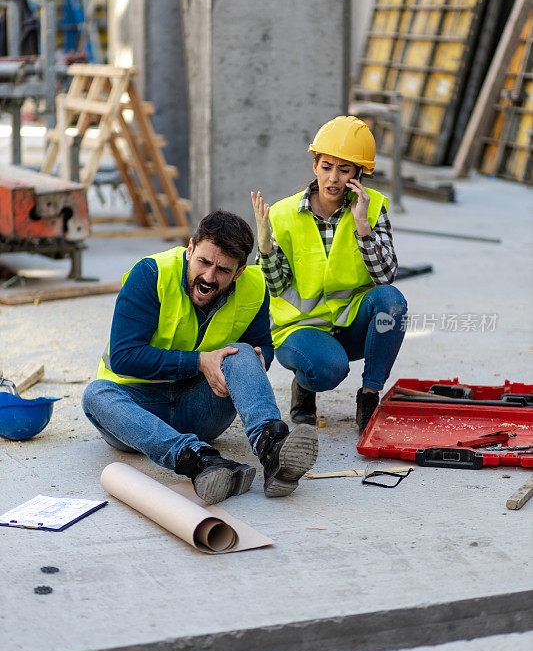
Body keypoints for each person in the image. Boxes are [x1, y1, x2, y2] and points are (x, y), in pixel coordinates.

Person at [82, 211, 318, 503]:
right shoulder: (152, 274)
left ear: (240, 271)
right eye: (204, 262)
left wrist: (257, 363)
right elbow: (123, 356)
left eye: (222, 270)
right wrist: (199, 362)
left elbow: (263, 346)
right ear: (190, 248)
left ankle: (272, 448)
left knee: (243, 351)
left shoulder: (255, 287)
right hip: (136, 415)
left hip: (201, 409)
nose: (209, 277)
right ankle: (200, 461)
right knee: (95, 394)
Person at [251, 116, 407, 437]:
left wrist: (363, 226)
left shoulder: (372, 208)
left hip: (348, 324)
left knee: (392, 303)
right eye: (326, 167)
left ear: (358, 174)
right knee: (329, 369)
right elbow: (276, 286)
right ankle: (305, 385)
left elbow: (385, 276)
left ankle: (368, 396)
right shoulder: (282, 214)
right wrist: (265, 248)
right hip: (299, 328)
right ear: (315, 166)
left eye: (344, 170)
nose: (333, 178)